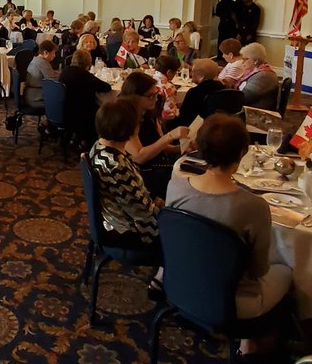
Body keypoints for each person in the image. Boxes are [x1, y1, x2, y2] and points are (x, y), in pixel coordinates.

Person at [166, 113, 293, 328]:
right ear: (242, 152)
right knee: (288, 271)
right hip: (233, 301)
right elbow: (258, 270)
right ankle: (255, 340)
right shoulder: (254, 206)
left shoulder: (176, 186)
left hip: (179, 284)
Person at [86, 99, 161, 246]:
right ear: (130, 129)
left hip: (115, 219)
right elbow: (143, 212)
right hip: (128, 232)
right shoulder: (116, 166)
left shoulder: (99, 145)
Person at [59, 49, 113, 144]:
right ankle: (90, 142)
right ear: (88, 63)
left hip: (64, 109)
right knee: (105, 110)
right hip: (81, 113)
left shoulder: (65, 71)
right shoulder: (86, 76)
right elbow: (106, 87)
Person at [167, 59, 225, 129]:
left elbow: (184, 120)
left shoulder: (195, 92)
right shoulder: (223, 87)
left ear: (201, 76)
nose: (191, 74)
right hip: (223, 125)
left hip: (206, 128)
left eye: (193, 71)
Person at [236, 43, 278, 110]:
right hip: (250, 107)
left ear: (255, 61)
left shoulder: (263, 76)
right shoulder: (255, 71)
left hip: (256, 112)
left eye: (245, 59)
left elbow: (245, 97)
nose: (242, 62)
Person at [25, 40, 59, 108]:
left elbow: (51, 73)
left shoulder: (36, 59)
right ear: (46, 52)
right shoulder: (43, 63)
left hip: (30, 95)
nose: (54, 56)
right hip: (37, 98)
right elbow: (54, 81)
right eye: (53, 53)